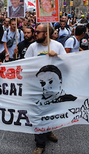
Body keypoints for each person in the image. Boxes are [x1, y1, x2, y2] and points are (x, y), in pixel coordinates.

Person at [25, 23, 66, 154]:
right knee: (39, 115)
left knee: (50, 112)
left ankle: (48, 131)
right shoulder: (32, 47)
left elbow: (68, 65)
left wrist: (58, 57)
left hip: (53, 89)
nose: (35, 34)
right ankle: (40, 144)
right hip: (37, 88)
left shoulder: (58, 46)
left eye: (38, 32)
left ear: (46, 33)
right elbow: (25, 65)